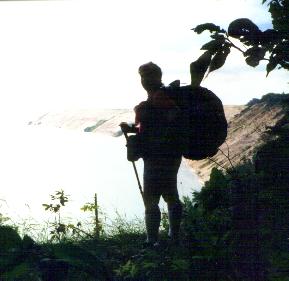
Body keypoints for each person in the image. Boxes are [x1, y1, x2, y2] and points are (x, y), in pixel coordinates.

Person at [121, 62, 183, 247]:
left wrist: (155, 135)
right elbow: (150, 125)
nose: (145, 80)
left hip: (158, 155)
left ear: (157, 77)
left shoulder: (160, 97)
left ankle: (152, 242)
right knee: (170, 193)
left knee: (151, 198)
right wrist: (132, 128)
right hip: (168, 154)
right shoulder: (158, 97)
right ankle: (173, 238)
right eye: (143, 76)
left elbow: (171, 118)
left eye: (148, 76)